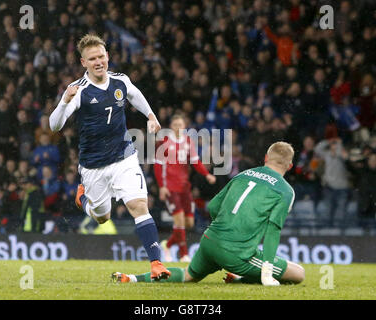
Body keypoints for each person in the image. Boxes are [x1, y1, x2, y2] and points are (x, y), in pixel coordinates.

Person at [49, 34, 169, 280]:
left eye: (101, 56)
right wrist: (63, 101)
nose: (98, 62)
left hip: (124, 158)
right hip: (93, 167)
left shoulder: (120, 81)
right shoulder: (78, 91)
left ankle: (156, 263)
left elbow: (134, 95)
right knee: (103, 217)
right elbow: (54, 126)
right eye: (92, 59)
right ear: (84, 62)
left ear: (108, 57)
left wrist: (151, 116)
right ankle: (83, 199)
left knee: (139, 205)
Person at [113, 142, 305, 286]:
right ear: (289, 166)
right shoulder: (285, 191)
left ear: (265, 158)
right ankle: (240, 278)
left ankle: (131, 278)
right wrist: (266, 272)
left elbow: (213, 206)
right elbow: (273, 231)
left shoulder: (242, 174)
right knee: (299, 273)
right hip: (236, 253)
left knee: (188, 275)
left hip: (209, 240)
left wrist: (226, 226)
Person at [154, 113, 216, 262]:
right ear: (171, 126)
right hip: (170, 187)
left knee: (189, 222)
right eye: (175, 125)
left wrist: (206, 174)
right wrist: (162, 186)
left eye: (180, 125)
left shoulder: (188, 141)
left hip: (184, 187)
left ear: (184, 127)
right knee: (179, 219)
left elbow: (195, 162)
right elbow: (158, 166)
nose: (178, 128)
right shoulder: (164, 142)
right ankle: (184, 254)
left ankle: (167, 245)